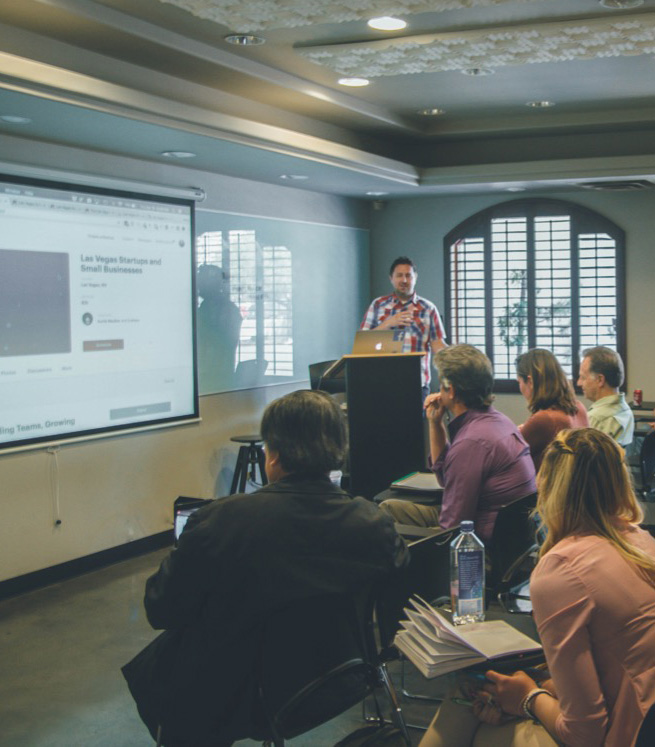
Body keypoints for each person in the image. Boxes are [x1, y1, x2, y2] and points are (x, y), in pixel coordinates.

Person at [122, 390, 408, 747]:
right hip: (338, 679)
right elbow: (395, 582)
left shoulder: (221, 522)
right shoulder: (372, 523)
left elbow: (161, 608)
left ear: (272, 455)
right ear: (339, 450)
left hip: (236, 698)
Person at [418, 427, 655, 747]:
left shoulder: (562, 571)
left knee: (476, 714)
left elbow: (586, 734)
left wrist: (528, 698)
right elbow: (613, 669)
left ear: (547, 488)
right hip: (639, 714)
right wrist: (533, 689)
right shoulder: (640, 540)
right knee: (483, 694)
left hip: (629, 732)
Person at [379, 344, 536, 543]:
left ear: (451, 390)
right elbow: (446, 479)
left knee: (385, 526)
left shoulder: (472, 443)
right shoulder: (499, 421)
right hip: (508, 541)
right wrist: (435, 424)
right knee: (389, 508)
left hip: (477, 547)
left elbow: (452, 527)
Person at [360, 256, 446, 399]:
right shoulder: (378, 305)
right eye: (399, 275)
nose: (404, 280)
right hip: (381, 383)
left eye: (408, 275)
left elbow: (438, 345)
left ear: (415, 278)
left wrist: (458, 361)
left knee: (414, 422)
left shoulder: (428, 308)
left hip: (417, 384)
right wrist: (388, 323)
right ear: (391, 278)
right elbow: (362, 343)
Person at [515, 348, 588, 470]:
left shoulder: (545, 419)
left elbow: (507, 457)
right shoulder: (579, 407)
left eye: (519, 382)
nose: (520, 387)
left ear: (530, 381)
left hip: (548, 488)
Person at [196, 263, 242, 391]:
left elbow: (219, 342)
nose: (198, 285)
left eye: (202, 281)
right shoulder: (222, 308)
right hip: (219, 375)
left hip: (213, 378)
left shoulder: (220, 310)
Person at [577, 345, 634, 447]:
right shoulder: (625, 409)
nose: (579, 383)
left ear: (600, 380)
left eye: (583, 377)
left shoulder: (596, 419)